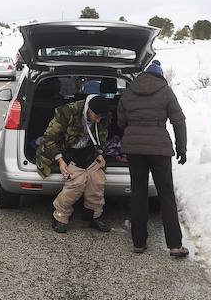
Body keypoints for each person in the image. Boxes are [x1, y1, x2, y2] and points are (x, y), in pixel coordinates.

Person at [118, 59, 189, 258]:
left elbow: (121, 121)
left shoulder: (129, 91)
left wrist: (133, 130)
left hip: (134, 150)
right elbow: (178, 120)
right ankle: (175, 245)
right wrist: (181, 147)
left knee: (138, 193)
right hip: (159, 149)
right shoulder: (165, 91)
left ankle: (139, 242)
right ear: (161, 75)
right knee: (166, 195)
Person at [36, 94, 112, 234]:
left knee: (97, 181)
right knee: (76, 182)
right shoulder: (67, 112)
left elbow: (101, 135)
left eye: (101, 117)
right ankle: (60, 216)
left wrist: (100, 154)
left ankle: (93, 216)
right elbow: (49, 139)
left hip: (88, 150)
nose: (98, 119)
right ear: (88, 108)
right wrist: (60, 160)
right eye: (96, 116)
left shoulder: (102, 116)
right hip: (65, 150)